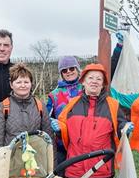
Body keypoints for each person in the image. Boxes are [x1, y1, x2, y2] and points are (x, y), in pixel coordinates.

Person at [55, 63, 132, 178]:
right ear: (83, 81)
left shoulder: (113, 105)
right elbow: (63, 127)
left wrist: (126, 129)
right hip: (75, 168)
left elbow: (120, 127)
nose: (95, 82)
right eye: (91, 78)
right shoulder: (72, 104)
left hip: (101, 169)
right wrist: (59, 129)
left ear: (104, 83)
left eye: (99, 79)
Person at [48, 34, 124, 165]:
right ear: (61, 74)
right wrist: (53, 124)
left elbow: (108, 69)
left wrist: (119, 47)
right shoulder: (54, 95)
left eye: (72, 68)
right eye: (64, 70)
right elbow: (46, 118)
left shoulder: (88, 85)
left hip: (88, 145)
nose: (69, 71)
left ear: (78, 70)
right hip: (63, 146)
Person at [0, 63, 54, 165]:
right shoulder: (2, 107)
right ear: (11, 85)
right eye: (18, 82)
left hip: (35, 163)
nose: (23, 85)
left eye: (26, 82)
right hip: (10, 163)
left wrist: (51, 167)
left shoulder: (40, 106)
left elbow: (49, 139)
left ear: (31, 84)